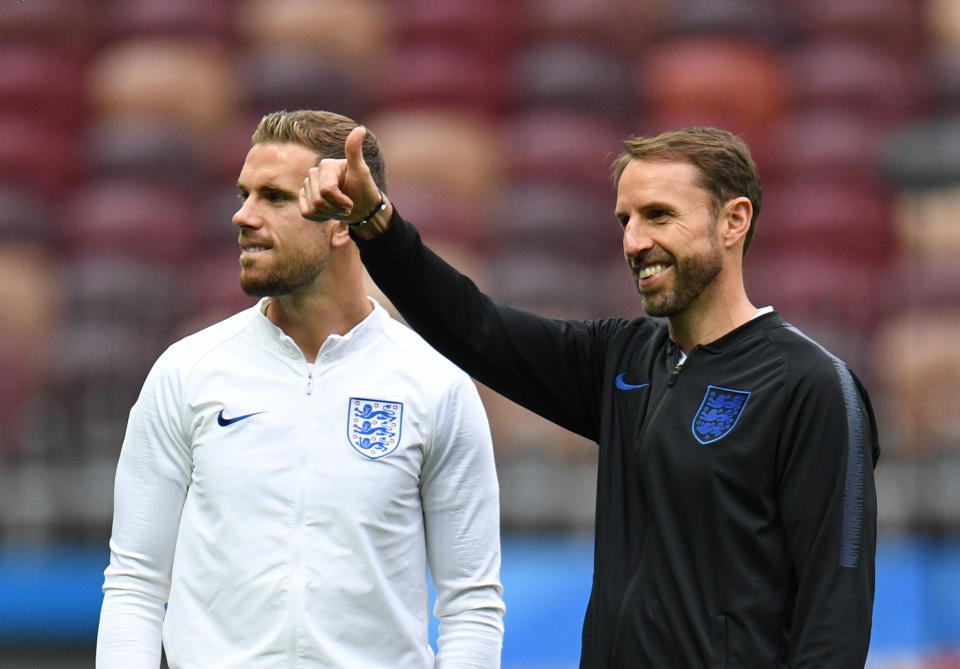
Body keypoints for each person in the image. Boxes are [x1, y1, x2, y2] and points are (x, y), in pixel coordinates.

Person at [302, 125, 881, 668]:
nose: (634, 242)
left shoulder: (810, 384)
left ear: (734, 221)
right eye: (625, 219)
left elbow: (836, 601)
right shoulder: (622, 361)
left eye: (658, 216)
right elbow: (473, 327)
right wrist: (378, 225)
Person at [96, 110, 505, 669]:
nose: (243, 216)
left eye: (275, 198)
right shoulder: (187, 371)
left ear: (343, 219)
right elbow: (136, 582)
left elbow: (471, 604)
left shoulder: (436, 385)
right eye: (244, 194)